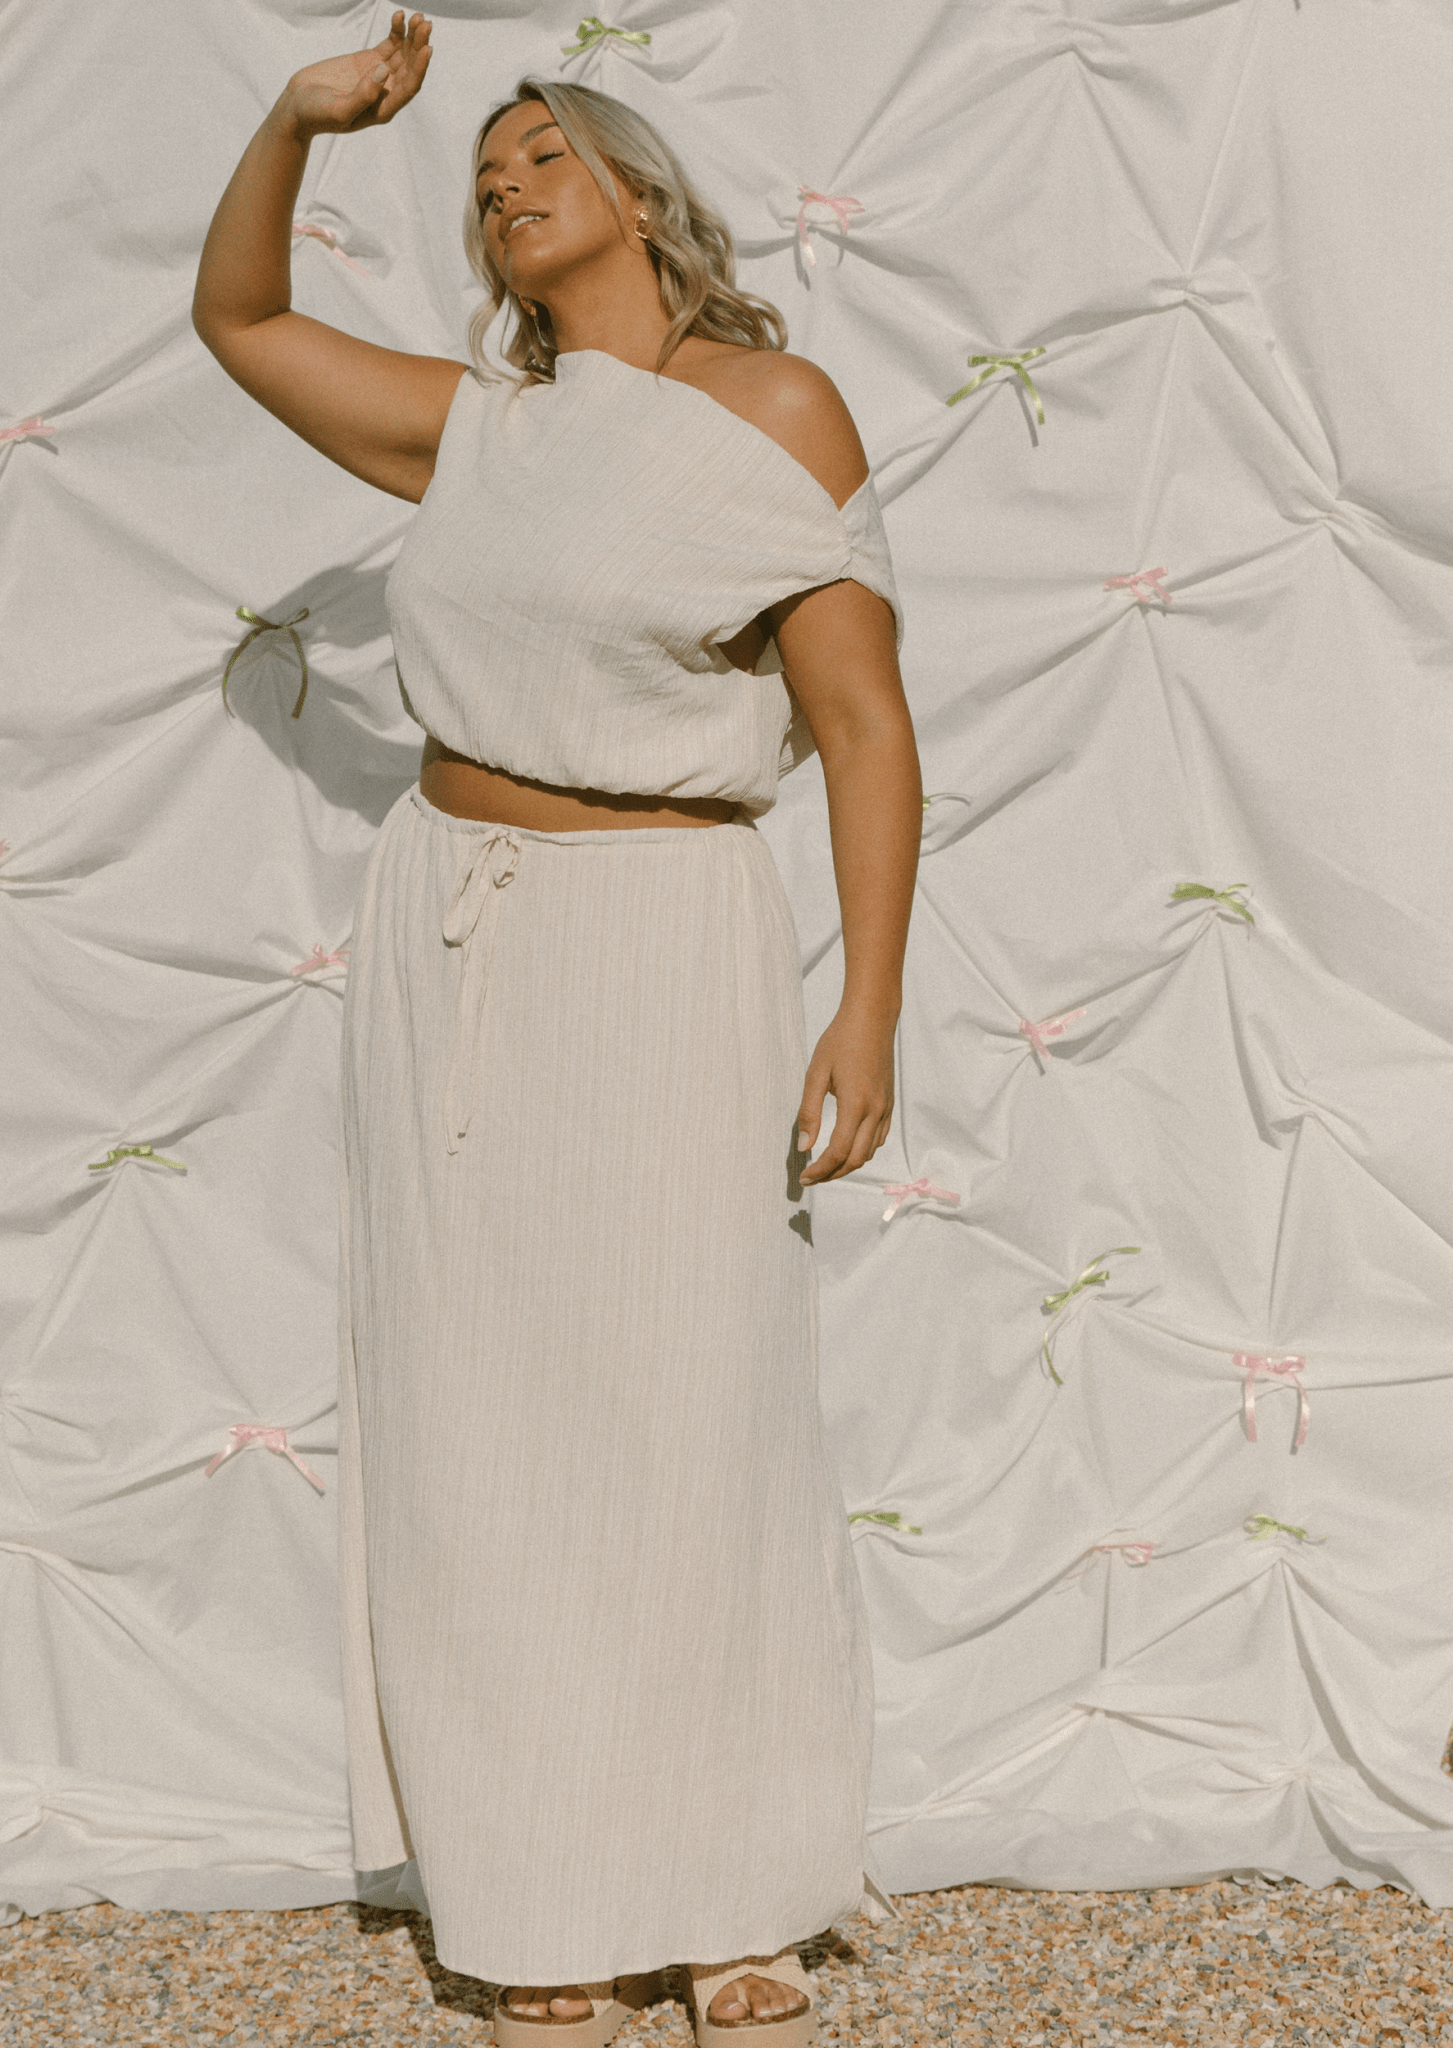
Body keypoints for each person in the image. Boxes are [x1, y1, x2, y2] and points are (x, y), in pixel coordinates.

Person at [192, 14, 922, 2044]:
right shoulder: (480, 428)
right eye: (483, 174)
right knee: (484, 1422)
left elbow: (864, 723)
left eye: (541, 157)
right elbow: (240, 321)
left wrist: (867, 1001)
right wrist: (293, 120)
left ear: (634, 191)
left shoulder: (773, 408)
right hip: (458, 938)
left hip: (670, 934)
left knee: (698, 1398)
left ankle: (731, 1887)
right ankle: (540, 1895)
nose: (506, 184)